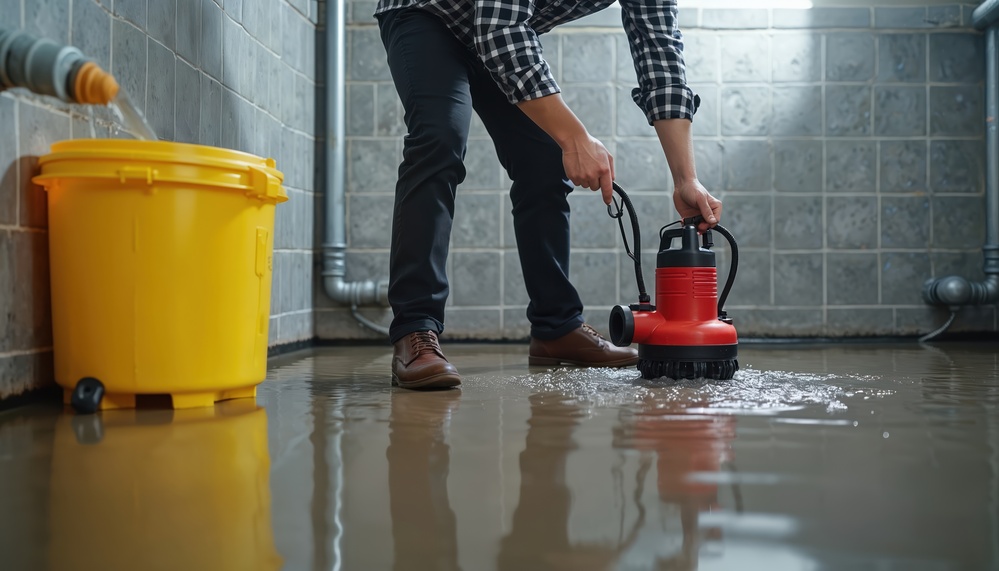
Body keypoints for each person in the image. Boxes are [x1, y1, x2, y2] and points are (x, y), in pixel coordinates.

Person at [376, 0, 723, 390]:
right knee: (439, 141)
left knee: (544, 162)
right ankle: (415, 330)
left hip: (494, 35)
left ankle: (555, 327)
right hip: (429, 13)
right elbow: (500, 28)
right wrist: (575, 137)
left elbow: (659, 51)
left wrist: (685, 179)